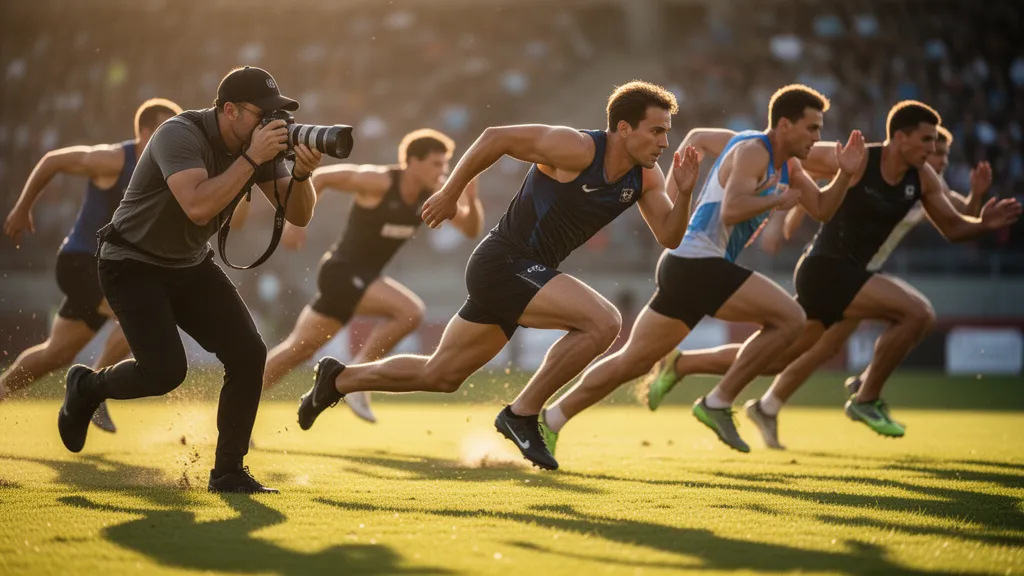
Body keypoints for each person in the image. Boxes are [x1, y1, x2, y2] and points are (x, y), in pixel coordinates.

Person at [295, 81, 700, 470]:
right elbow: (495, 137)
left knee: (441, 375)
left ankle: (339, 379)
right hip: (503, 263)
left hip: (523, 277)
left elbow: (670, 235)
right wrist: (451, 192)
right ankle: (522, 414)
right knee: (603, 322)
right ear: (625, 129)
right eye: (657, 131)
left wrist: (684, 193)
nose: (665, 142)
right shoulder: (575, 147)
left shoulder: (647, 177)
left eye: (667, 132)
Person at [645, 101, 1021, 446]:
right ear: (900, 137)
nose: (933, 152)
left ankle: (685, 364)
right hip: (825, 270)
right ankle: (866, 397)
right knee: (917, 313)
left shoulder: (923, 179)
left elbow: (955, 227)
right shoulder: (858, 157)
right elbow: (792, 157)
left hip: (852, 276)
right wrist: (784, 208)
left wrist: (982, 222)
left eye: (938, 147)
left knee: (777, 357)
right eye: (927, 142)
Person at [538, 85, 865, 455]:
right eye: (812, 128)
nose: (818, 138)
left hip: (690, 267)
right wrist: (775, 200)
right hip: (698, 263)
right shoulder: (754, 151)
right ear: (786, 125)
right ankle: (718, 402)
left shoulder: (787, 166)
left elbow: (821, 208)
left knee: (632, 361)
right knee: (791, 319)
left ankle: (551, 419)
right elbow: (732, 208)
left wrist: (844, 176)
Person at [57, 66, 323, 493]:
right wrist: (252, 158)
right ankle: (86, 386)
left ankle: (228, 472)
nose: (273, 123)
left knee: (248, 352)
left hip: (187, 263)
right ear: (230, 110)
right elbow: (197, 207)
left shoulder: (256, 146)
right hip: (131, 262)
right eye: (263, 113)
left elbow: (299, 215)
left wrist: (304, 174)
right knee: (164, 372)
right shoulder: (178, 134)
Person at [262, 129, 485, 423]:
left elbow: (470, 229)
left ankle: (238, 404)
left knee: (297, 350)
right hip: (341, 273)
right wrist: (297, 221)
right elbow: (323, 177)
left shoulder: (434, 193)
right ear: (412, 162)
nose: (443, 171)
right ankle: (355, 378)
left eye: (445, 165)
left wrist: (471, 195)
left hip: (361, 281)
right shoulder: (378, 181)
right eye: (436, 163)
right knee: (410, 312)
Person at [1, 98, 182, 432]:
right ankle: (91, 394)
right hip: (81, 264)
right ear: (144, 133)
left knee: (55, 354)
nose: (172, 141)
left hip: (110, 273)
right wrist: (23, 206)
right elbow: (53, 160)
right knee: (141, 316)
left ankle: (2, 390)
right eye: (164, 132)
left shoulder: (168, 174)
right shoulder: (114, 159)